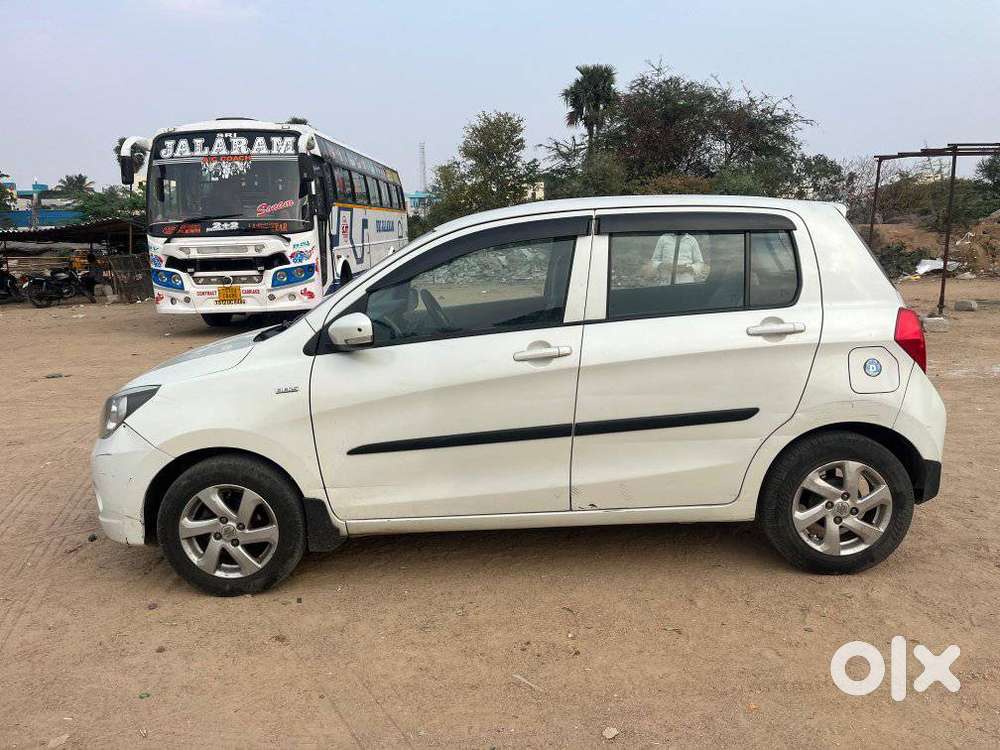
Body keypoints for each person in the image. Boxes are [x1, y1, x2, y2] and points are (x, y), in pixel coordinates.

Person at [641, 232, 707, 284]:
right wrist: (663, 266)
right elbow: (654, 260)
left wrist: (687, 268)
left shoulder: (692, 240)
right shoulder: (663, 238)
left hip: (686, 283)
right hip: (666, 283)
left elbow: (699, 263)